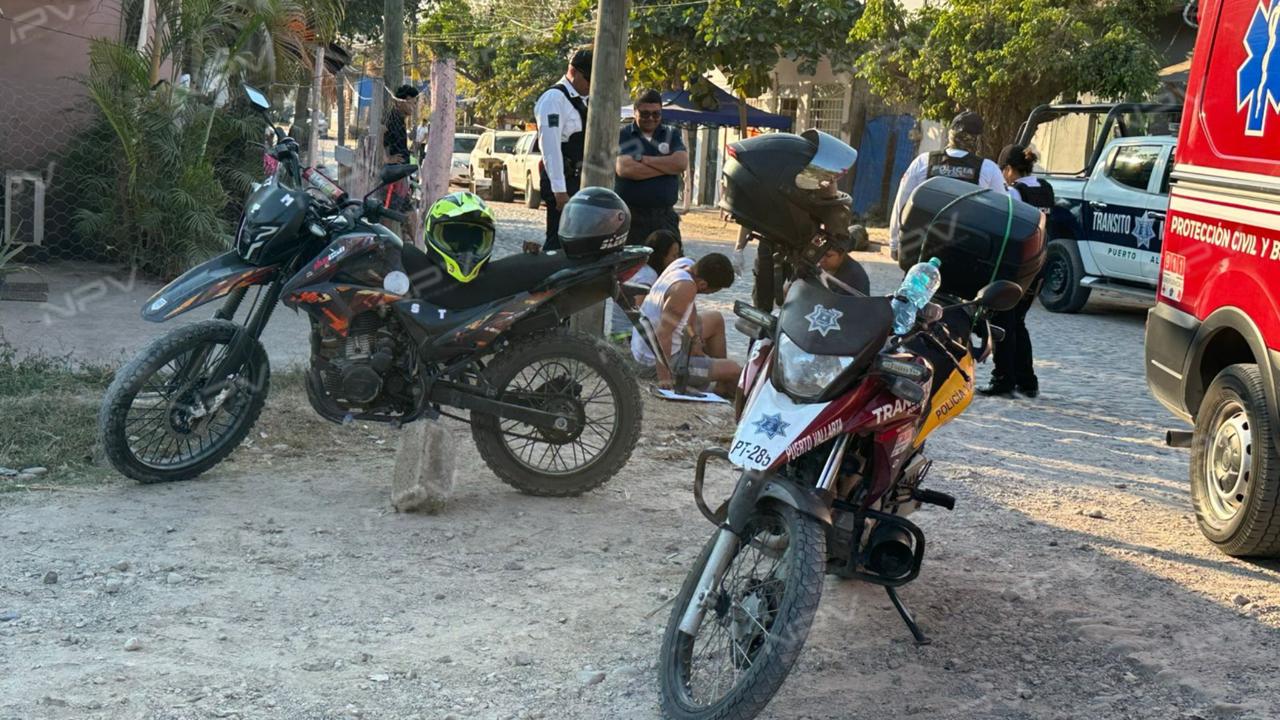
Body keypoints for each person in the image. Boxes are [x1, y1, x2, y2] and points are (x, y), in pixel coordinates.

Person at [980, 143, 1054, 399]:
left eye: (1003, 170)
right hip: (1040, 264)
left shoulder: (1013, 193)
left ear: (1009, 169)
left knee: (1001, 321)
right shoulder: (1046, 189)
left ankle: (1002, 379)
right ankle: (1027, 380)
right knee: (1018, 322)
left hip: (1018, 267)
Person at [889, 111, 1009, 260]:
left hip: (922, 250)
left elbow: (902, 202)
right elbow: (1002, 213)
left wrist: (895, 243)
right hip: (965, 253)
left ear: (951, 133)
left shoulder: (923, 162)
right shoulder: (988, 169)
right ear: (977, 139)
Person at [631, 253, 741, 396]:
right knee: (735, 370)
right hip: (654, 361)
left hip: (644, 342)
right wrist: (665, 378)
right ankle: (722, 385)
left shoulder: (684, 264)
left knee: (716, 319)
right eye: (711, 292)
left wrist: (694, 338)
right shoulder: (685, 288)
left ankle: (720, 384)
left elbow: (690, 307)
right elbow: (662, 335)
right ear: (703, 284)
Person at [530, 47, 593, 252]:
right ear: (573, 72)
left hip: (579, 181)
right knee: (558, 242)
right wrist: (560, 191)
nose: (591, 85)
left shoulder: (585, 100)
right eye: (588, 78)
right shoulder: (554, 99)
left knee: (577, 241)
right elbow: (550, 147)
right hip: (563, 182)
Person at [615, 88, 688, 245]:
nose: (651, 118)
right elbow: (625, 169)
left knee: (669, 265)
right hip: (632, 218)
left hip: (665, 218)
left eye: (656, 114)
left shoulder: (671, 134)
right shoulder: (623, 135)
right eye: (645, 113)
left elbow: (681, 163)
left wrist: (642, 159)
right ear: (635, 112)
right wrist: (666, 166)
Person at [611, 229, 683, 343]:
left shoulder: (639, 268)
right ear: (660, 256)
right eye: (673, 256)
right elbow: (637, 311)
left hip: (621, 331)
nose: (676, 260)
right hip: (627, 335)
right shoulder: (648, 276)